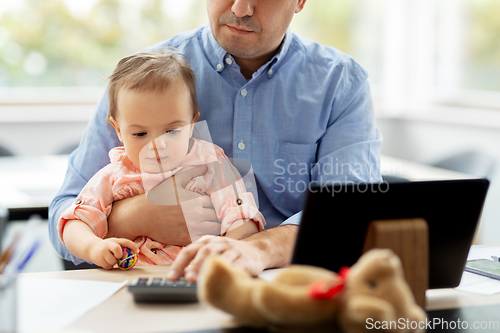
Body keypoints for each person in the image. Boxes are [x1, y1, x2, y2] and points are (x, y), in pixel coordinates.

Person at [49, 0, 382, 280]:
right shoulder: (141, 81)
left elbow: (352, 219)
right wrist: (139, 216)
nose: (241, 8)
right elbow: (62, 212)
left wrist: (256, 248)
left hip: (287, 286)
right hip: (150, 288)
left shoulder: (342, 84)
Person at [57, 50, 265, 269]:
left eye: (172, 131)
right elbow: (75, 221)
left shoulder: (209, 162)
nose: (157, 145)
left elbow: (242, 214)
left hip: (199, 276)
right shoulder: (115, 175)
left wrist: (226, 247)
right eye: (140, 134)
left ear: (192, 123)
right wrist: (93, 247)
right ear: (118, 130)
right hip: (134, 280)